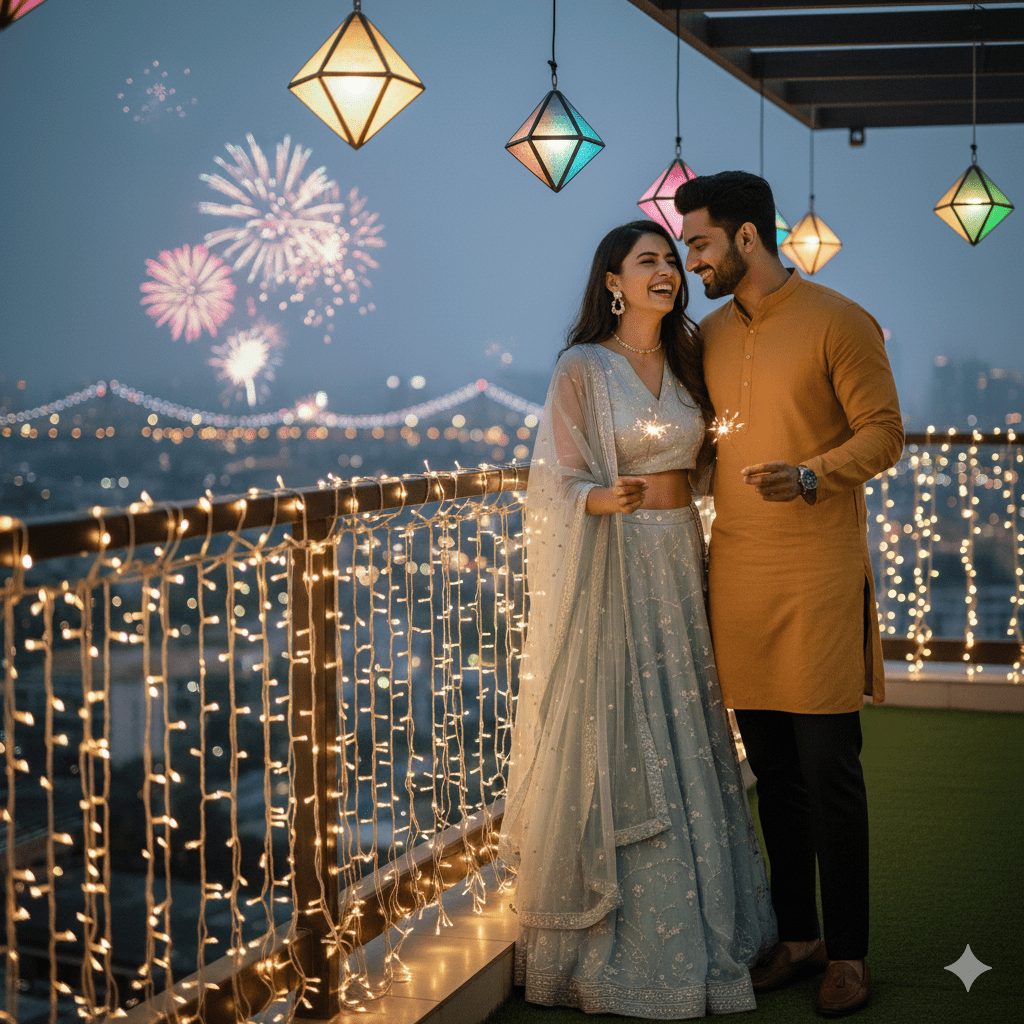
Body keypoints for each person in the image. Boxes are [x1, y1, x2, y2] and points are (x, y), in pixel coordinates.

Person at [499, 220, 776, 1019]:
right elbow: (550, 475)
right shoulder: (583, 367)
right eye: (648, 261)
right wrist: (594, 496)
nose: (667, 271)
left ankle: (710, 924)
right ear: (613, 280)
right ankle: (609, 932)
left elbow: (713, 454)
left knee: (688, 721)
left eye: (670, 260)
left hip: (681, 558)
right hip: (616, 561)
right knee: (623, 723)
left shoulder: (692, 361)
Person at [674, 171, 904, 1018]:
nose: (690, 259)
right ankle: (800, 936)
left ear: (744, 238)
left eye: (699, 242)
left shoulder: (839, 321)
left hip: (815, 572)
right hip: (734, 573)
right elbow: (702, 449)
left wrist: (813, 473)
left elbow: (885, 433)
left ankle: (848, 952)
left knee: (828, 768)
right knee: (771, 771)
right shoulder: (707, 337)